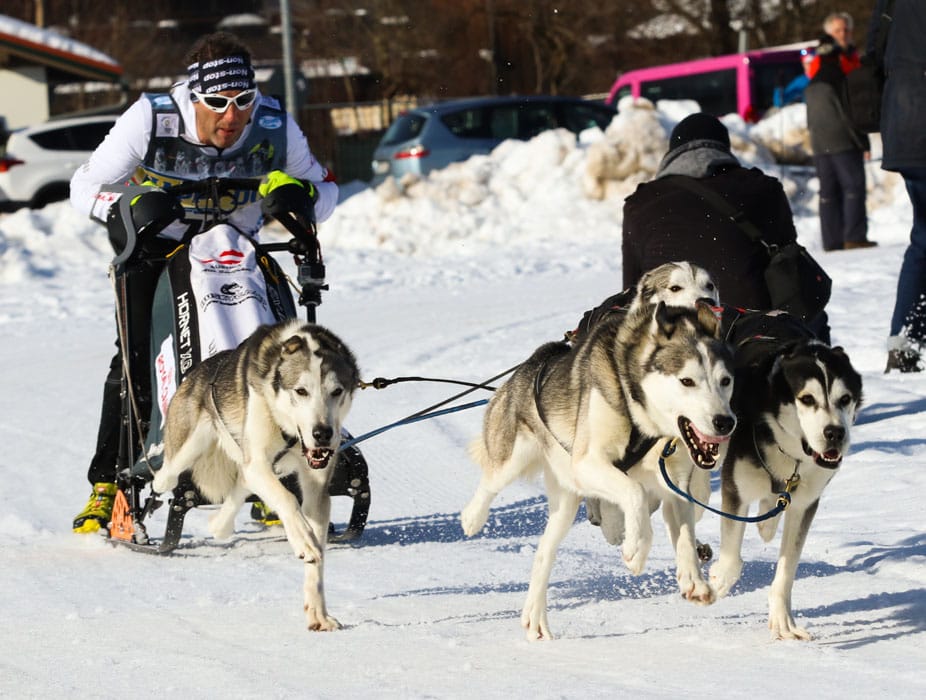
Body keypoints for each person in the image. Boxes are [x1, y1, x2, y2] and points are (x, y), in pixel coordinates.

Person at [70, 32, 339, 533]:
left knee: (279, 355)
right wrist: (127, 208)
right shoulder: (151, 117)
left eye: (243, 102)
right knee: (134, 356)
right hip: (160, 244)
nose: (231, 116)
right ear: (194, 96)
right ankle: (108, 483)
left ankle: (273, 469)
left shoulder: (276, 125)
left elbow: (326, 188)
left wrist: (298, 200)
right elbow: (83, 185)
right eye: (216, 103)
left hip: (238, 248)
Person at [621, 112, 830, 341]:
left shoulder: (639, 204)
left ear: (671, 153)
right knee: (813, 313)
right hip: (750, 332)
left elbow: (631, 290)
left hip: (670, 342)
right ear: (724, 149)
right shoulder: (761, 188)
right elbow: (790, 264)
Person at [868, 0, 926, 372]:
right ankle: (905, 340)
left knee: (924, 238)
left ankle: (904, 341)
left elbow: (873, 53)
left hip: (904, 127)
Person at [804, 36, 875, 251]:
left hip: (819, 145)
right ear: (836, 57)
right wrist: (863, 142)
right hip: (843, 143)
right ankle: (854, 237)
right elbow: (849, 115)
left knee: (828, 193)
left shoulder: (812, 84)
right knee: (853, 188)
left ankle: (831, 241)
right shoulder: (839, 79)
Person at [807, 12, 863, 78]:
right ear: (829, 34)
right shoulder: (821, 61)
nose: (843, 34)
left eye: (846, 30)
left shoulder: (856, 56)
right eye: (837, 31)